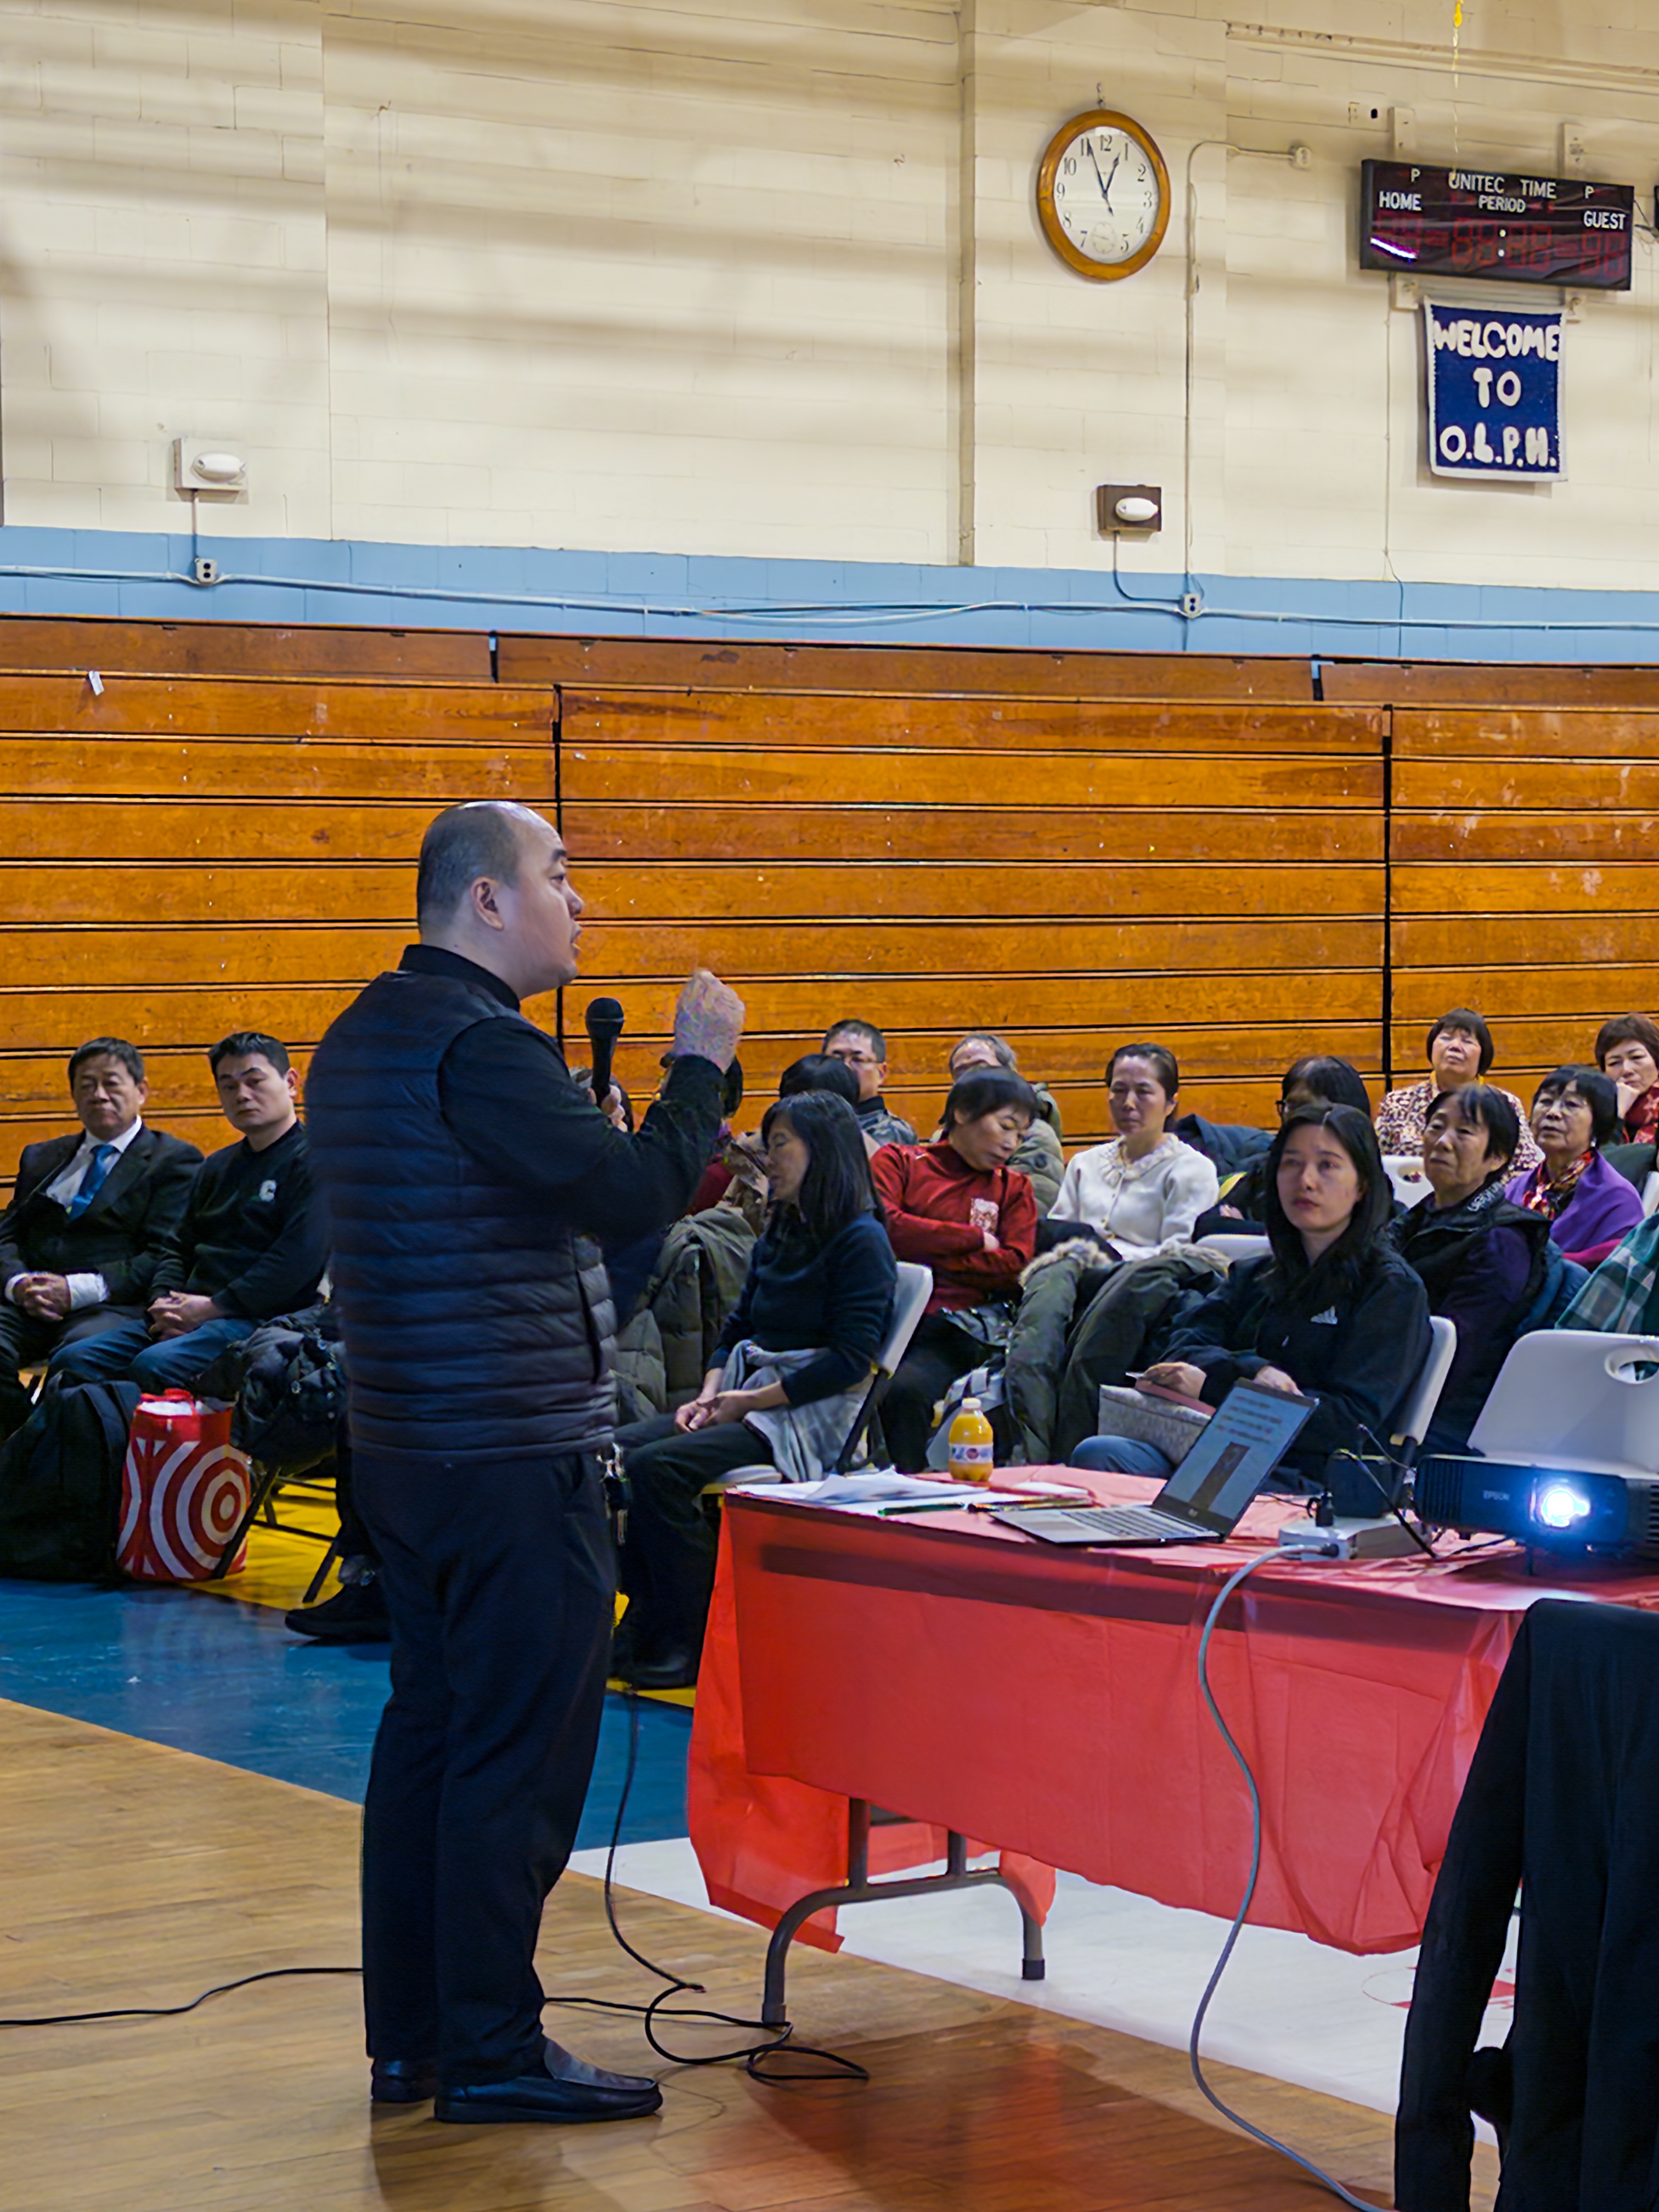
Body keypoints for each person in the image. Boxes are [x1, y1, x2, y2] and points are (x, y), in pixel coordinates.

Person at [304, 798, 742, 2127]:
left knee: (432, 1740)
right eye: (558, 874)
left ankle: (417, 2039)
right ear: (487, 900)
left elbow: (525, 1224)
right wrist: (699, 1071)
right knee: (516, 1759)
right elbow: (637, 1197)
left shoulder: (362, 1034)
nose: (578, 899)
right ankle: (492, 2047)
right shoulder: (481, 1044)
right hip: (506, 1452)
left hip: (409, 1447)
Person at [611, 1090, 896, 1689]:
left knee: (658, 1470)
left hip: (809, 1413)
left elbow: (849, 1362)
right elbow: (739, 1328)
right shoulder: (779, 1228)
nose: (769, 1158)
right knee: (615, 1452)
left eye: (780, 1144)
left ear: (822, 1151)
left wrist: (747, 1402)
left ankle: (691, 1634)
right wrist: (710, 1392)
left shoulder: (861, 1239)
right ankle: (648, 1613)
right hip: (750, 1394)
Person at [1071, 1104, 1431, 1489]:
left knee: (1197, 1485)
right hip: (1211, 1445)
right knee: (1099, 1453)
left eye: (1327, 1165)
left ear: (1362, 1186)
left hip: (1310, 1477)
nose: (1306, 1180)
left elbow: (1347, 1423)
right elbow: (1180, 1347)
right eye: (1292, 1163)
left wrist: (1215, 1386)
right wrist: (1251, 1372)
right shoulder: (1257, 1273)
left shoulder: (1391, 1289)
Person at [53, 1033, 324, 1392]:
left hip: (260, 1320)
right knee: (74, 1360)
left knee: (154, 1367)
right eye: (228, 1086)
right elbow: (177, 1246)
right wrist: (164, 1304)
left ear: (290, 1083)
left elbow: (293, 1264)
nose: (242, 1095)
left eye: (254, 1081)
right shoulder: (217, 1166)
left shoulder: (318, 1164)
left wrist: (212, 1308)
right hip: (192, 1310)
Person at [0, 1037, 201, 1436]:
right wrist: (19, 1283)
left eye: (111, 1083)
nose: (99, 1095)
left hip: (110, 1304)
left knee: (78, 1364)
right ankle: (19, 1448)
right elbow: (7, 1235)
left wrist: (75, 1290)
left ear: (141, 1091)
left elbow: (163, 1254)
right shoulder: (42, 1157)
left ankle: (38, 1460)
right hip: (30, 1302)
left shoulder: (174, 1161)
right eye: (87, 1085)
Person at [871, 1069, 1039, 1468]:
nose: (1011, 1143)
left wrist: (924, 1252)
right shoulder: (899, 1162)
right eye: (1006, 1126)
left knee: (905, 1393)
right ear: (962, 1112)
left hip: (958, 1328)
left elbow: (1014, 1265)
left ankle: (915, 1490)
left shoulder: (1014, 1188)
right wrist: (973, 1238)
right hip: (884, 1316)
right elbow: (885, 1230)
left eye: (1020, 1135)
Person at [1387, 1086, 1552, 1451]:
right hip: (1391, 1386)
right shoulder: (1416, 1218)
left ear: (1497, 1157)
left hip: (1445, 1418)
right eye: (1436, 1127)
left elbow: (1456, 1356)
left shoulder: (1502, 1241)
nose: (1443, 1142)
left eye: (1463, 1132)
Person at [1051, 1045, 1218, 1256]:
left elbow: (1178, 1255)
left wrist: (1106, 1258)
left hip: (1146, 1275)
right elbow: (1056, 1234)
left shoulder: (1192, 1169)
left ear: (1170, 1104)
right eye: (1119, 1091)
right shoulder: (1084, 1164)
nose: (1128, 1104)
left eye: (1143, 1092)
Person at [1194, 1056, 1370, 1238]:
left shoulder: (1366, 1174)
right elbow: (1208, 1225)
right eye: (1291, 1106)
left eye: (1307, 1107)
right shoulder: (1268, 1166)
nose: (1295, 1117)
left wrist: (1247, 1230)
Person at [1506, 1065, 1644, 1266]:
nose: (1553, 1113)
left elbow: (1616, 1275)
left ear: (1598, 1123)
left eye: (1571, 1105)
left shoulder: (1618, 1200)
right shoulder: (1516, 1188)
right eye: (1546, 1101)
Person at [1374, 1008, 1542, 1172]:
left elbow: (1527, 1169)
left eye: (1467, 1041)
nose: (1455, 1046)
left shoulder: (1506, 1105)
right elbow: (1375, 1167)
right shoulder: (1398, 1103)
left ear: (1483, 1056)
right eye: (1446, 1038)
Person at [945, 1033, 1064, 1211]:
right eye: (961, 1073)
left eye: (981, 1068)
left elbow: (1031, 1209)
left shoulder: (1035, 1134)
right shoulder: (945, 1136)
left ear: (1010, 1073)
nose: (972, 1079)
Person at [822, 1018, 916, 1146]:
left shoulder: (895, 1132)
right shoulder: (805, 1119)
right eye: (836, 1058)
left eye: (858, 1059)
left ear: (881, 1073)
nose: (846, 1067)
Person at [1594, 1013, 1659, 1143]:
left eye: (1637, 1057)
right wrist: (1617, 1115)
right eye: (1614, 1063)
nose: (1626, 1070)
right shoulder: (1592, 1114)